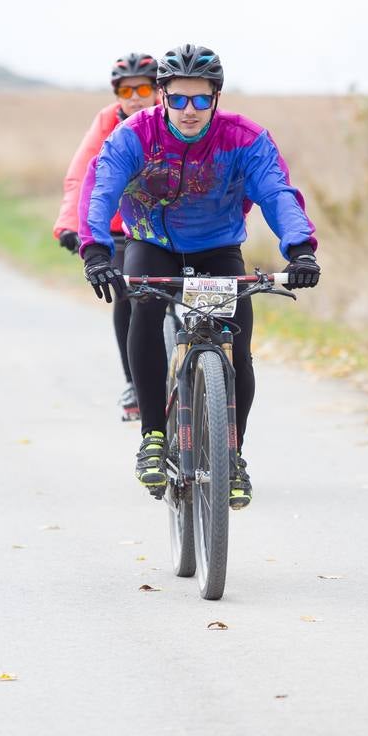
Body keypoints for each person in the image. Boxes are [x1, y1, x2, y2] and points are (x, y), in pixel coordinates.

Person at [78, 43, 320, 509]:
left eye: (202, 99)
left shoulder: (243, 138)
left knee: (238, 348)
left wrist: (302, 250)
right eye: (180, 99)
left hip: (217, 248)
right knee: (143, 315)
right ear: (163, 96)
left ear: (216, 97)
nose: (191, 111)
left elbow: (276, 191)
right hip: (151, 242)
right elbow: (101, 191)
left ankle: (234, 456)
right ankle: (152, 436)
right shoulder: (134, 135)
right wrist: (95, 252)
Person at [54, 53, 158, 420]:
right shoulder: (106, 122)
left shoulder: (174, 119)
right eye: (125, 90)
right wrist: (70, 224)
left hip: (164, 228)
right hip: (118, 230)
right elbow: (82, 174)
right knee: (127, 293)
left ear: (158, 89)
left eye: (143, 87)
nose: (134, 97)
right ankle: (135, 379)